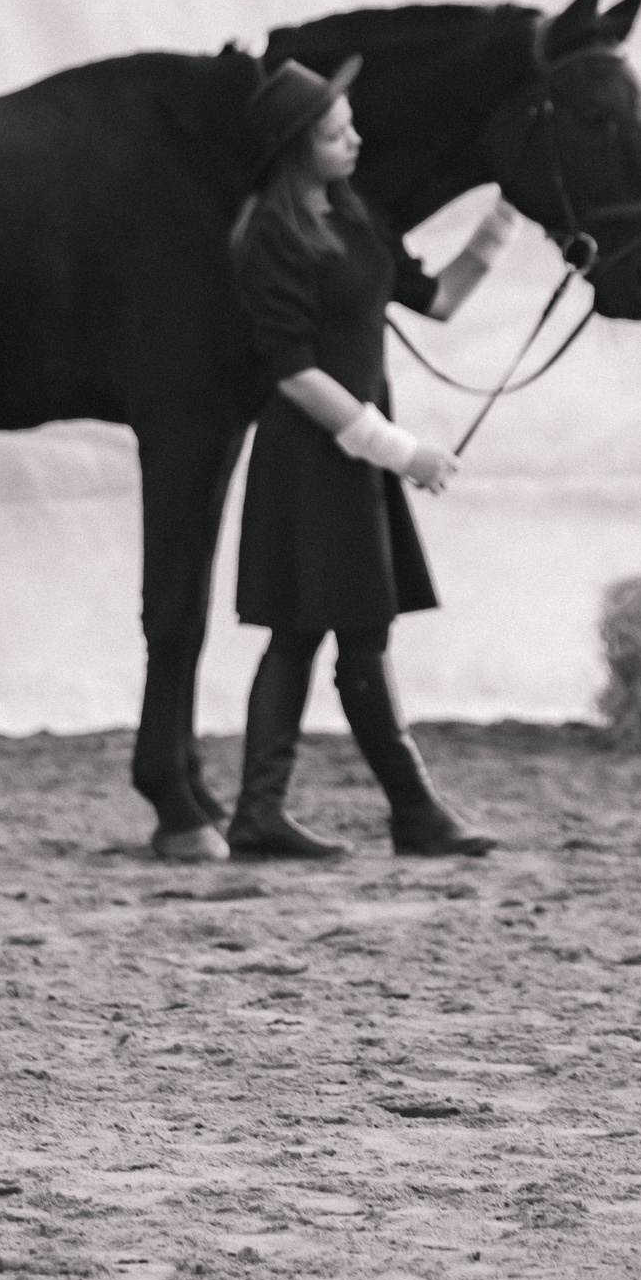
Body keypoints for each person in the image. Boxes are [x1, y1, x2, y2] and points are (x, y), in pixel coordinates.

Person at [212, 55, 521, 864]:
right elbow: (294, 373)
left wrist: (503, 220)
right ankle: (407, 809)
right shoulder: (268, 235)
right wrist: (398, 448)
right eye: (335, 131)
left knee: (323, 634)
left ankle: (263, 813)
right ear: (295, 146)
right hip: (312, 461)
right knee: (335, 631)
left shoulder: (357, 216)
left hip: (351, 459)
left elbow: (439, 299)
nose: (354, 138)